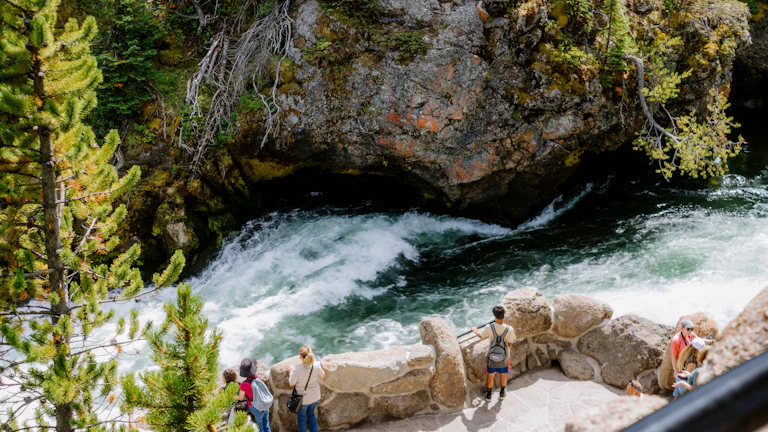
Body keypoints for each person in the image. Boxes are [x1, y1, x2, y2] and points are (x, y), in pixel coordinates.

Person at [471, 306, 517, 402]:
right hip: (504, 357)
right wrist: (507, 353)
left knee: (490, 375)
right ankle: (502, 392)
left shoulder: (490, 327)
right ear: (503, 315)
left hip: (492, 356)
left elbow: (481, 335)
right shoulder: (509, 329)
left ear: (494, 316)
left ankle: (488, 394)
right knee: (503, 374)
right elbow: (510, 343)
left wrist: (475, 330)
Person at [289, 346, 326, 432]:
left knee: (302, 418)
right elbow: (323, 375)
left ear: (300, 356)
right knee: (311, 414)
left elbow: (291, 383)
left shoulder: (298, 370)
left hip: (303, 399)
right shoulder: (316, 365)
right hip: (315, 396)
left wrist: (291, 372)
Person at [237, 357, 270, 432]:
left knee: (260, 428)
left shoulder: (244, 384)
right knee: (267, 426)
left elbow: (241, 397)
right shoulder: (257, 376)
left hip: (255, 407)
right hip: (264, 404)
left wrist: (232, 397)